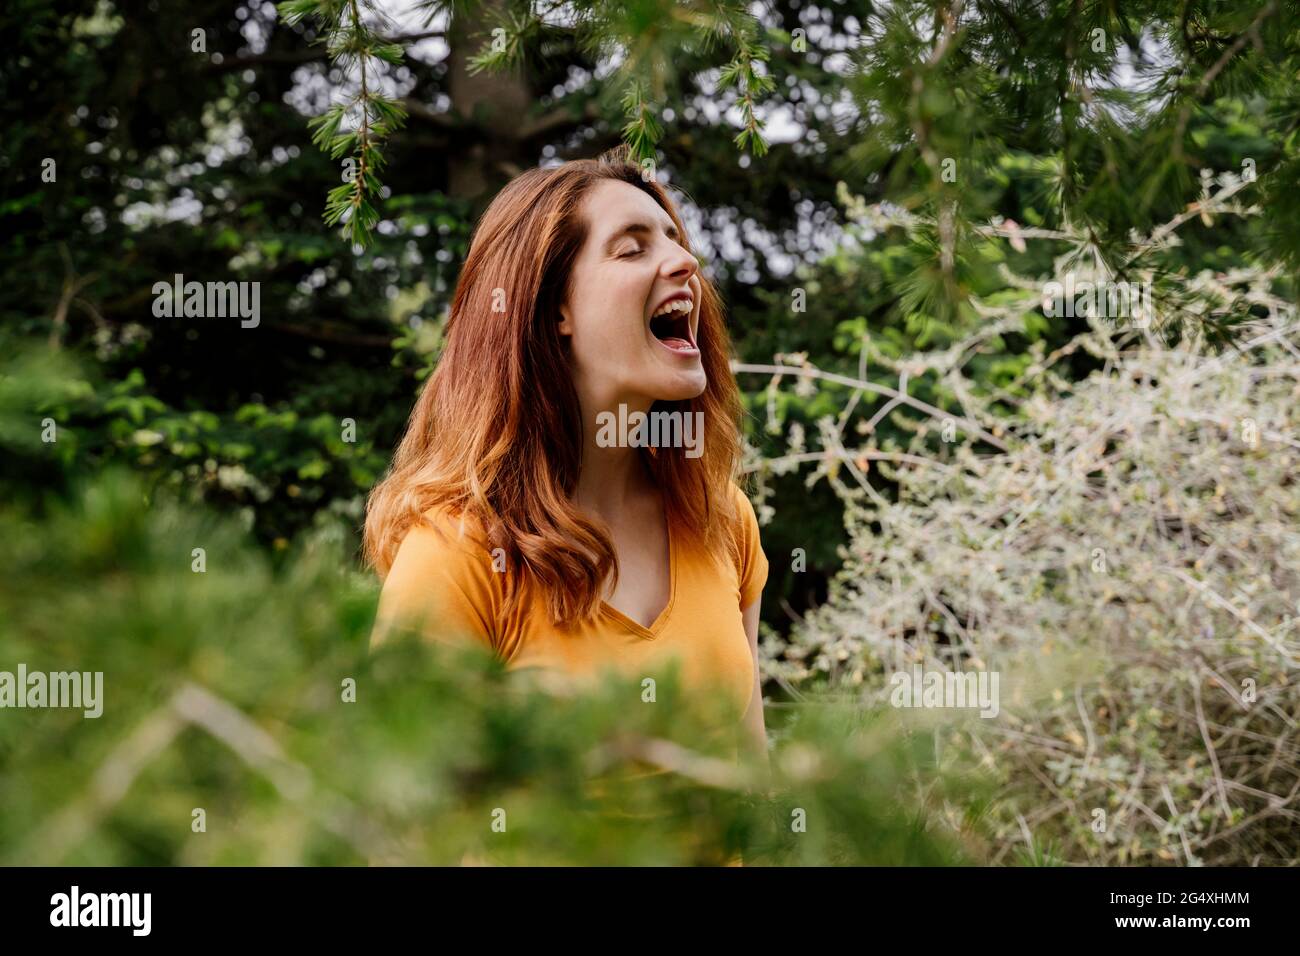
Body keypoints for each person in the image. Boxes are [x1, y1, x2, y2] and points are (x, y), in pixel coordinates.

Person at [366, 147, 769, 791]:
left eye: (674, 239)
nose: (686, 262)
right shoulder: (457, 551)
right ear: (554, 310)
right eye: (631, 249)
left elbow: (754, 784)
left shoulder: (722, 520)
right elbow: (399, 833)